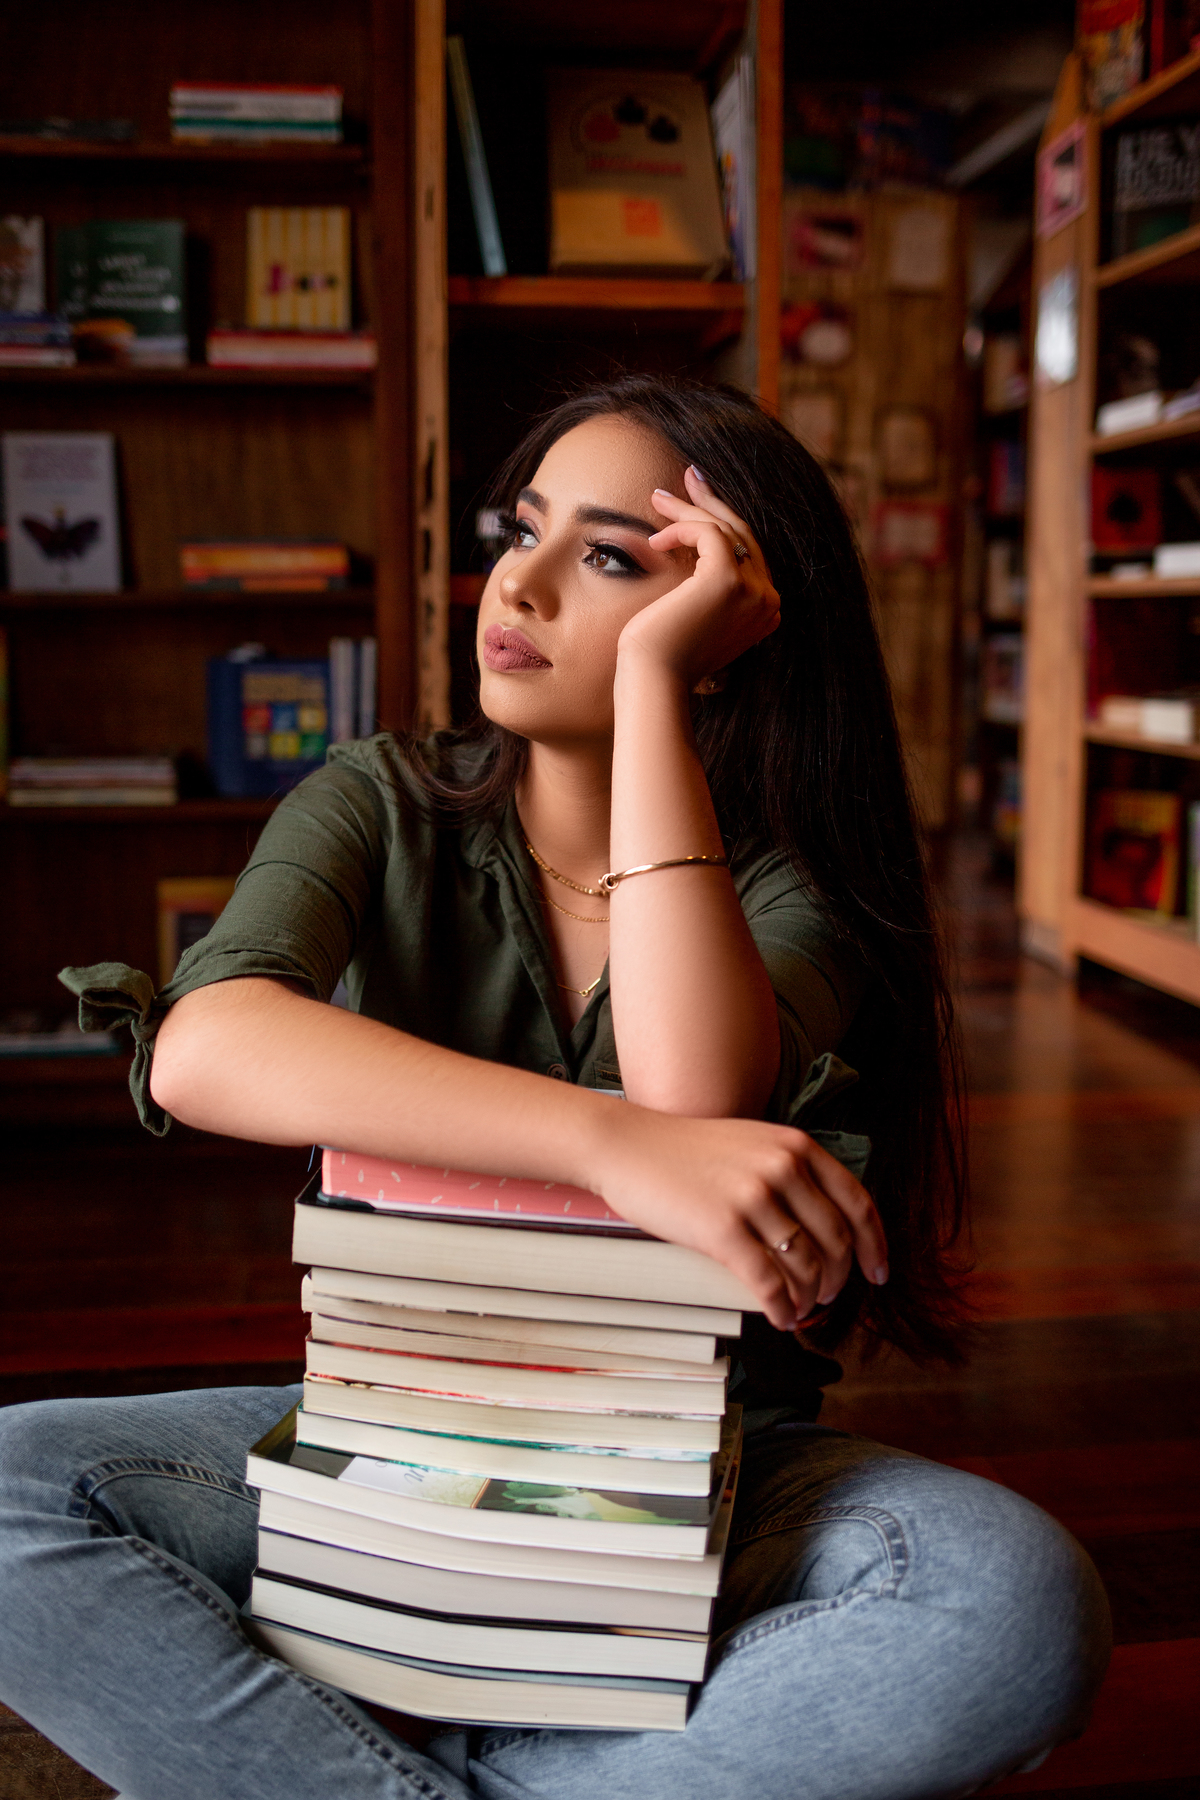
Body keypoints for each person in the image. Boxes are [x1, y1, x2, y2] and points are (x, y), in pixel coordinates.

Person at [0, 376, 1109, 1800]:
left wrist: (648, 689)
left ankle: (402, 1743)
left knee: (1011, 1607)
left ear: (728, 627)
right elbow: (204, 1045)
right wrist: (605, 1147)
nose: (516, 585)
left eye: (610, 559)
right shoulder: (381, 799)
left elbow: (689, 1084)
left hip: (708, 1464)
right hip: (398, 1433)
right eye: (520, 531)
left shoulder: (801, 886)